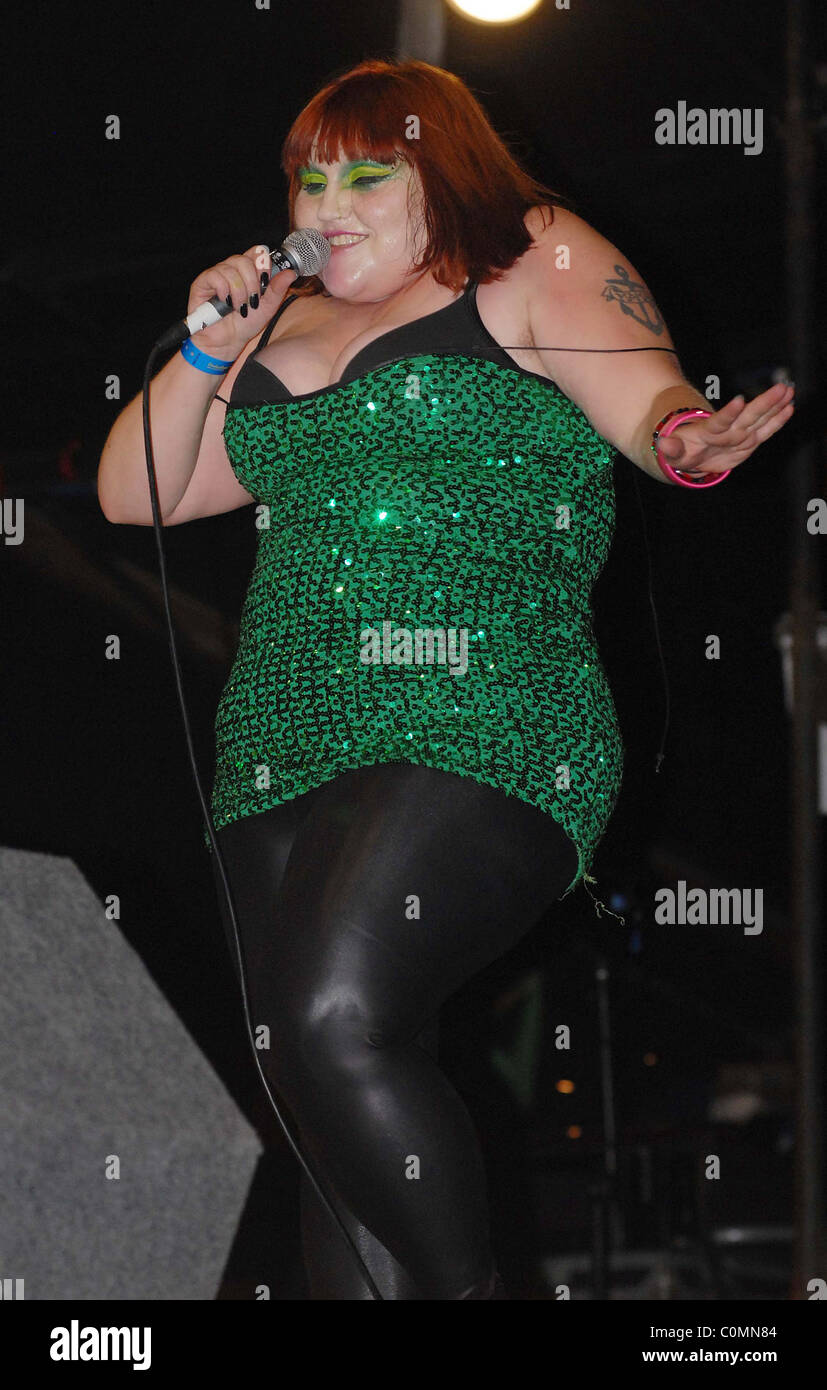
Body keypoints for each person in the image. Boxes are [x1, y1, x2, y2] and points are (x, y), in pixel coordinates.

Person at [97, 58, 795, 1300]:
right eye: (308, 178)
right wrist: (213, 347)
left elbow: (651, 406)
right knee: (323, 1104)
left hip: (483, 706)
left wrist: (692, 440)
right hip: (281, 733)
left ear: (442, 172)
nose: (327, 201)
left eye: (368, 172)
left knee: (330, 1017)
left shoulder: (526, 256)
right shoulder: (279, 323)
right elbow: (138, 495)